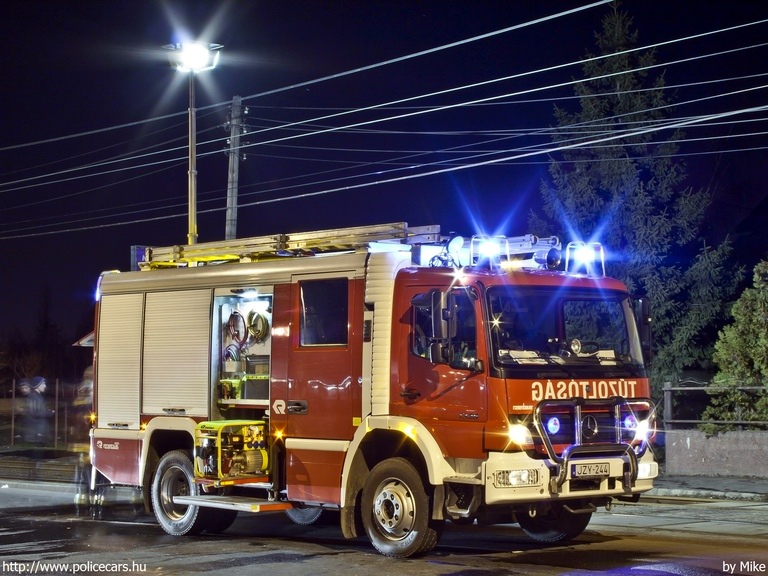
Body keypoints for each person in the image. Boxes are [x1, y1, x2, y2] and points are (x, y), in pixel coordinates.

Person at [20, 376, 52, 446]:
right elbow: (34, 413)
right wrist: (48, 413)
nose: (45, 386)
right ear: (37, 385)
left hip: (38, 432)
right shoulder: (34, 397)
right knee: (37, 451)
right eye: (43, 384)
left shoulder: (37, 396)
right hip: (36, 433)